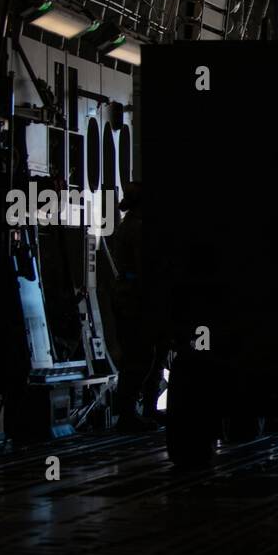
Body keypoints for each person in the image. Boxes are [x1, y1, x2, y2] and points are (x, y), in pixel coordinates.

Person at [99, 182, 165, 431]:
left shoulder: (131, 225)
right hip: (137, 299)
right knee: (141, 356)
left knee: (149, 355)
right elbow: (144, 267)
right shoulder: (138, 229)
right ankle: (130, 413)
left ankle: (143, 409)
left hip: (135, 297)